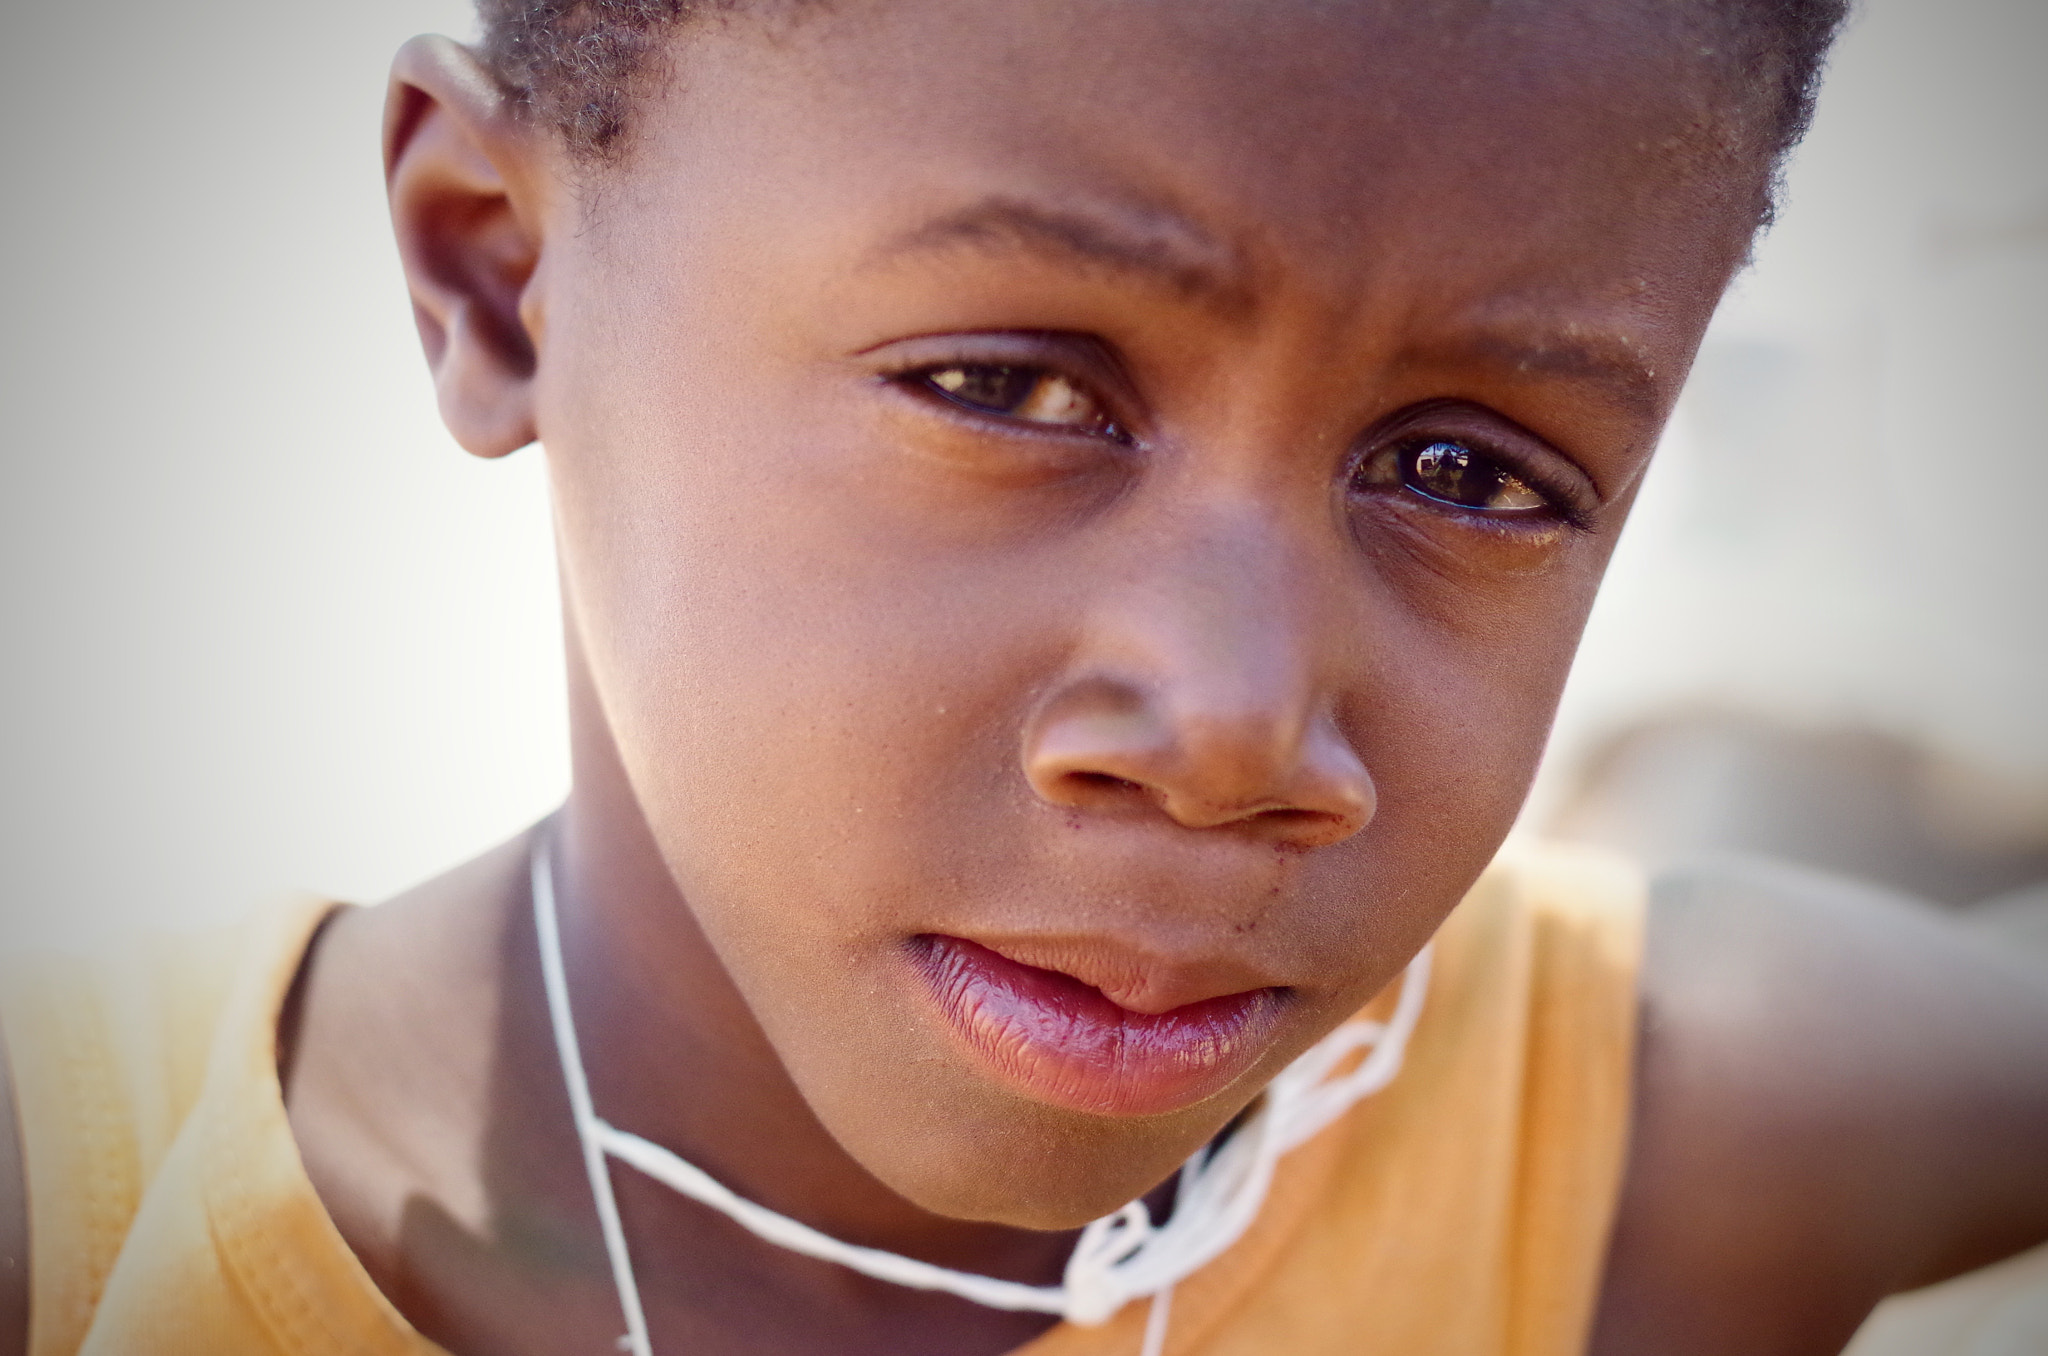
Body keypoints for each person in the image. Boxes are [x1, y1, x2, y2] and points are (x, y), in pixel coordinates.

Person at [2, 0, 2045, 1352]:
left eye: (1466, 470)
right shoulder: (78, 1239)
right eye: (1008, 385)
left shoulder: (1659, 1148)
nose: (1241, 726)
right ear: (495, 268)